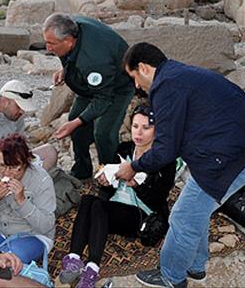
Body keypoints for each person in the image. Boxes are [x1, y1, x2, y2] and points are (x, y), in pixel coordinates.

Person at [119, 42, 245, 288]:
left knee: (183, 217)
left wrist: (134, 166)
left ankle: (171, 277)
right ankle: (195, 266)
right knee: (196, 210)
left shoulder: (165, 87)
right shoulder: (178, 74)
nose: (136, 85)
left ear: (144, 68)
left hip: (235, 156)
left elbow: (165, 149)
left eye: (134, 77)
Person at [58, 104, 175, 288]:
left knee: (99, 206)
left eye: (146, 128)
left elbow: (158, 199)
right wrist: (105, 182)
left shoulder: (164, 160)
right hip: (112, 210)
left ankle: (92, 269)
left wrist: (137, 185)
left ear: (157, 130)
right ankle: (74, 258)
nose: (139, 132)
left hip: (140, 215)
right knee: (88, 200)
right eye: (135, 126)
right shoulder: (124, 149)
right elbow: (109, 186)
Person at [44, 13, 135, 179]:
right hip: (88, 84)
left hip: (117, 87)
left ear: (68, 41)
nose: (47, 48)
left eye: (51, 43)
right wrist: (66, 70)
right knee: (75, 120)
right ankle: (82, 170)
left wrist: (76, 123)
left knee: (103, 132)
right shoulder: (72, 25)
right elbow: (72, 56)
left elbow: (103, 98)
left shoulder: (94, 60)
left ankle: (110, 177)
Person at [0, 133, 56, 265]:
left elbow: (46, 226)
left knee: (9, 261)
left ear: (25, 163)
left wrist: (22, 202)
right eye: (2, 165)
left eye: (13, 167)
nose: (6, 173)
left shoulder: (42, 180)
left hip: (30, 235)